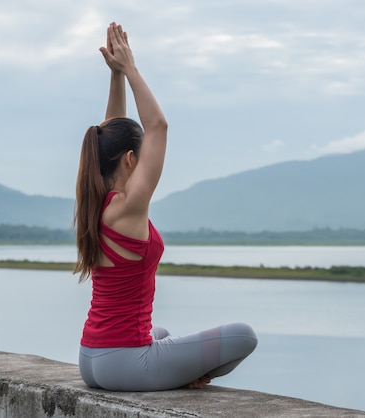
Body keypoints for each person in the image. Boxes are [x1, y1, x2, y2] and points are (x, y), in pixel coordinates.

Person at [74, 22, 257, 391]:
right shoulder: (128, 207)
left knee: (162, 333)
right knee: (244, 335)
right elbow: (157, 126)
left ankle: (170, 366)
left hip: (91, 357)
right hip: (125, 363)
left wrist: (115, 77)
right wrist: (130, 69)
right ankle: (181, 374)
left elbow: (111, 129)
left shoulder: (94, 203)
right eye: (141, 160)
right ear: (130, 160)